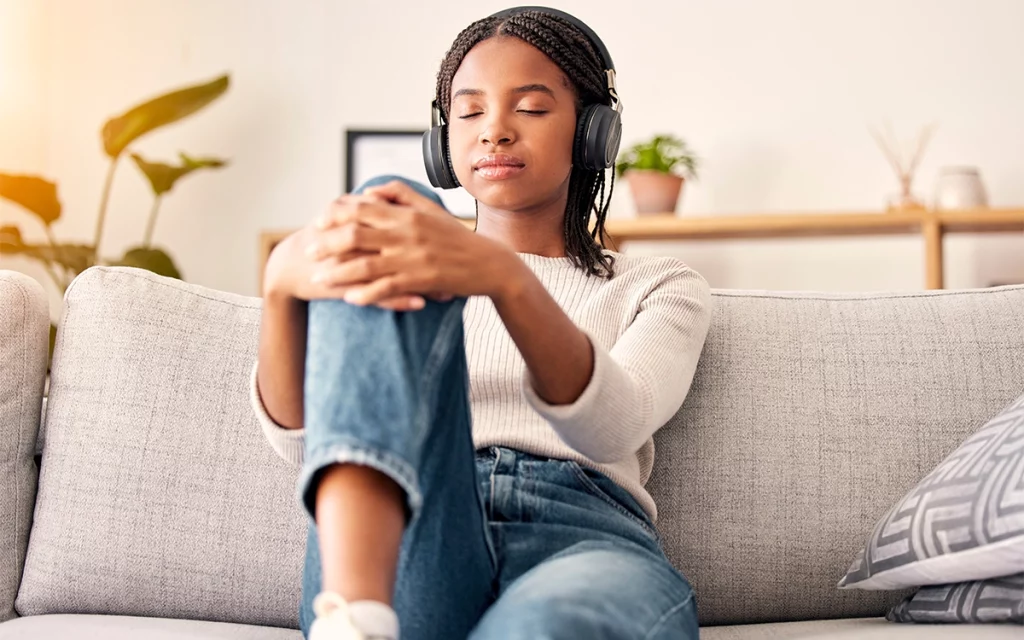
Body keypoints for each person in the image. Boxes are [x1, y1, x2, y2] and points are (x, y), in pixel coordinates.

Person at [251, 6, 712, 640]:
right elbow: (307, 445)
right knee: (388, 194)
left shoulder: (659, 285)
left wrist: (504, 278)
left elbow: (613, 426)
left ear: (593, 132)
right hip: (410, 531)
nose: (493, 131)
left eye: (529, 108)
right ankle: (354, 617)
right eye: (469, 112)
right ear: (442, 143)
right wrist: (279, 288)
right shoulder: (404, 253)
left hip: (584, 539)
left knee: (553, 625)